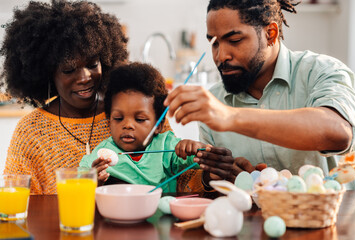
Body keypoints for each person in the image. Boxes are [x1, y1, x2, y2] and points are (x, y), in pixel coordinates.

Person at [1, 0, 234, 194]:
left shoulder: (133, 111)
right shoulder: (31, 132)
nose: (84, 77)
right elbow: (18, 199)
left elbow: (179, 180)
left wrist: (206, 176)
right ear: (48, 74)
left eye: (92, 64)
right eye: (69, 70)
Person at [164, 0, 355, 188]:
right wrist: (222, 174)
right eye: (214, 43)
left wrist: (230, 117)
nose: (221, 56)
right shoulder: (214, 101)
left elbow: (338, 133)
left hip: (334, 219)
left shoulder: (320, 71)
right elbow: (215, 184)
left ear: (270, 34)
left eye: (234, 40)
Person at [80, 62, 209, 192]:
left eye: (140, 119)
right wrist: (92, 179)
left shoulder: (166, 145)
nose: (128, 125)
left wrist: (195, 148)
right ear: (109, 122)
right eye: (118, 119)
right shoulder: (102, 154)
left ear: (158, 125)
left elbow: (204, 158)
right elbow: (78, 179)